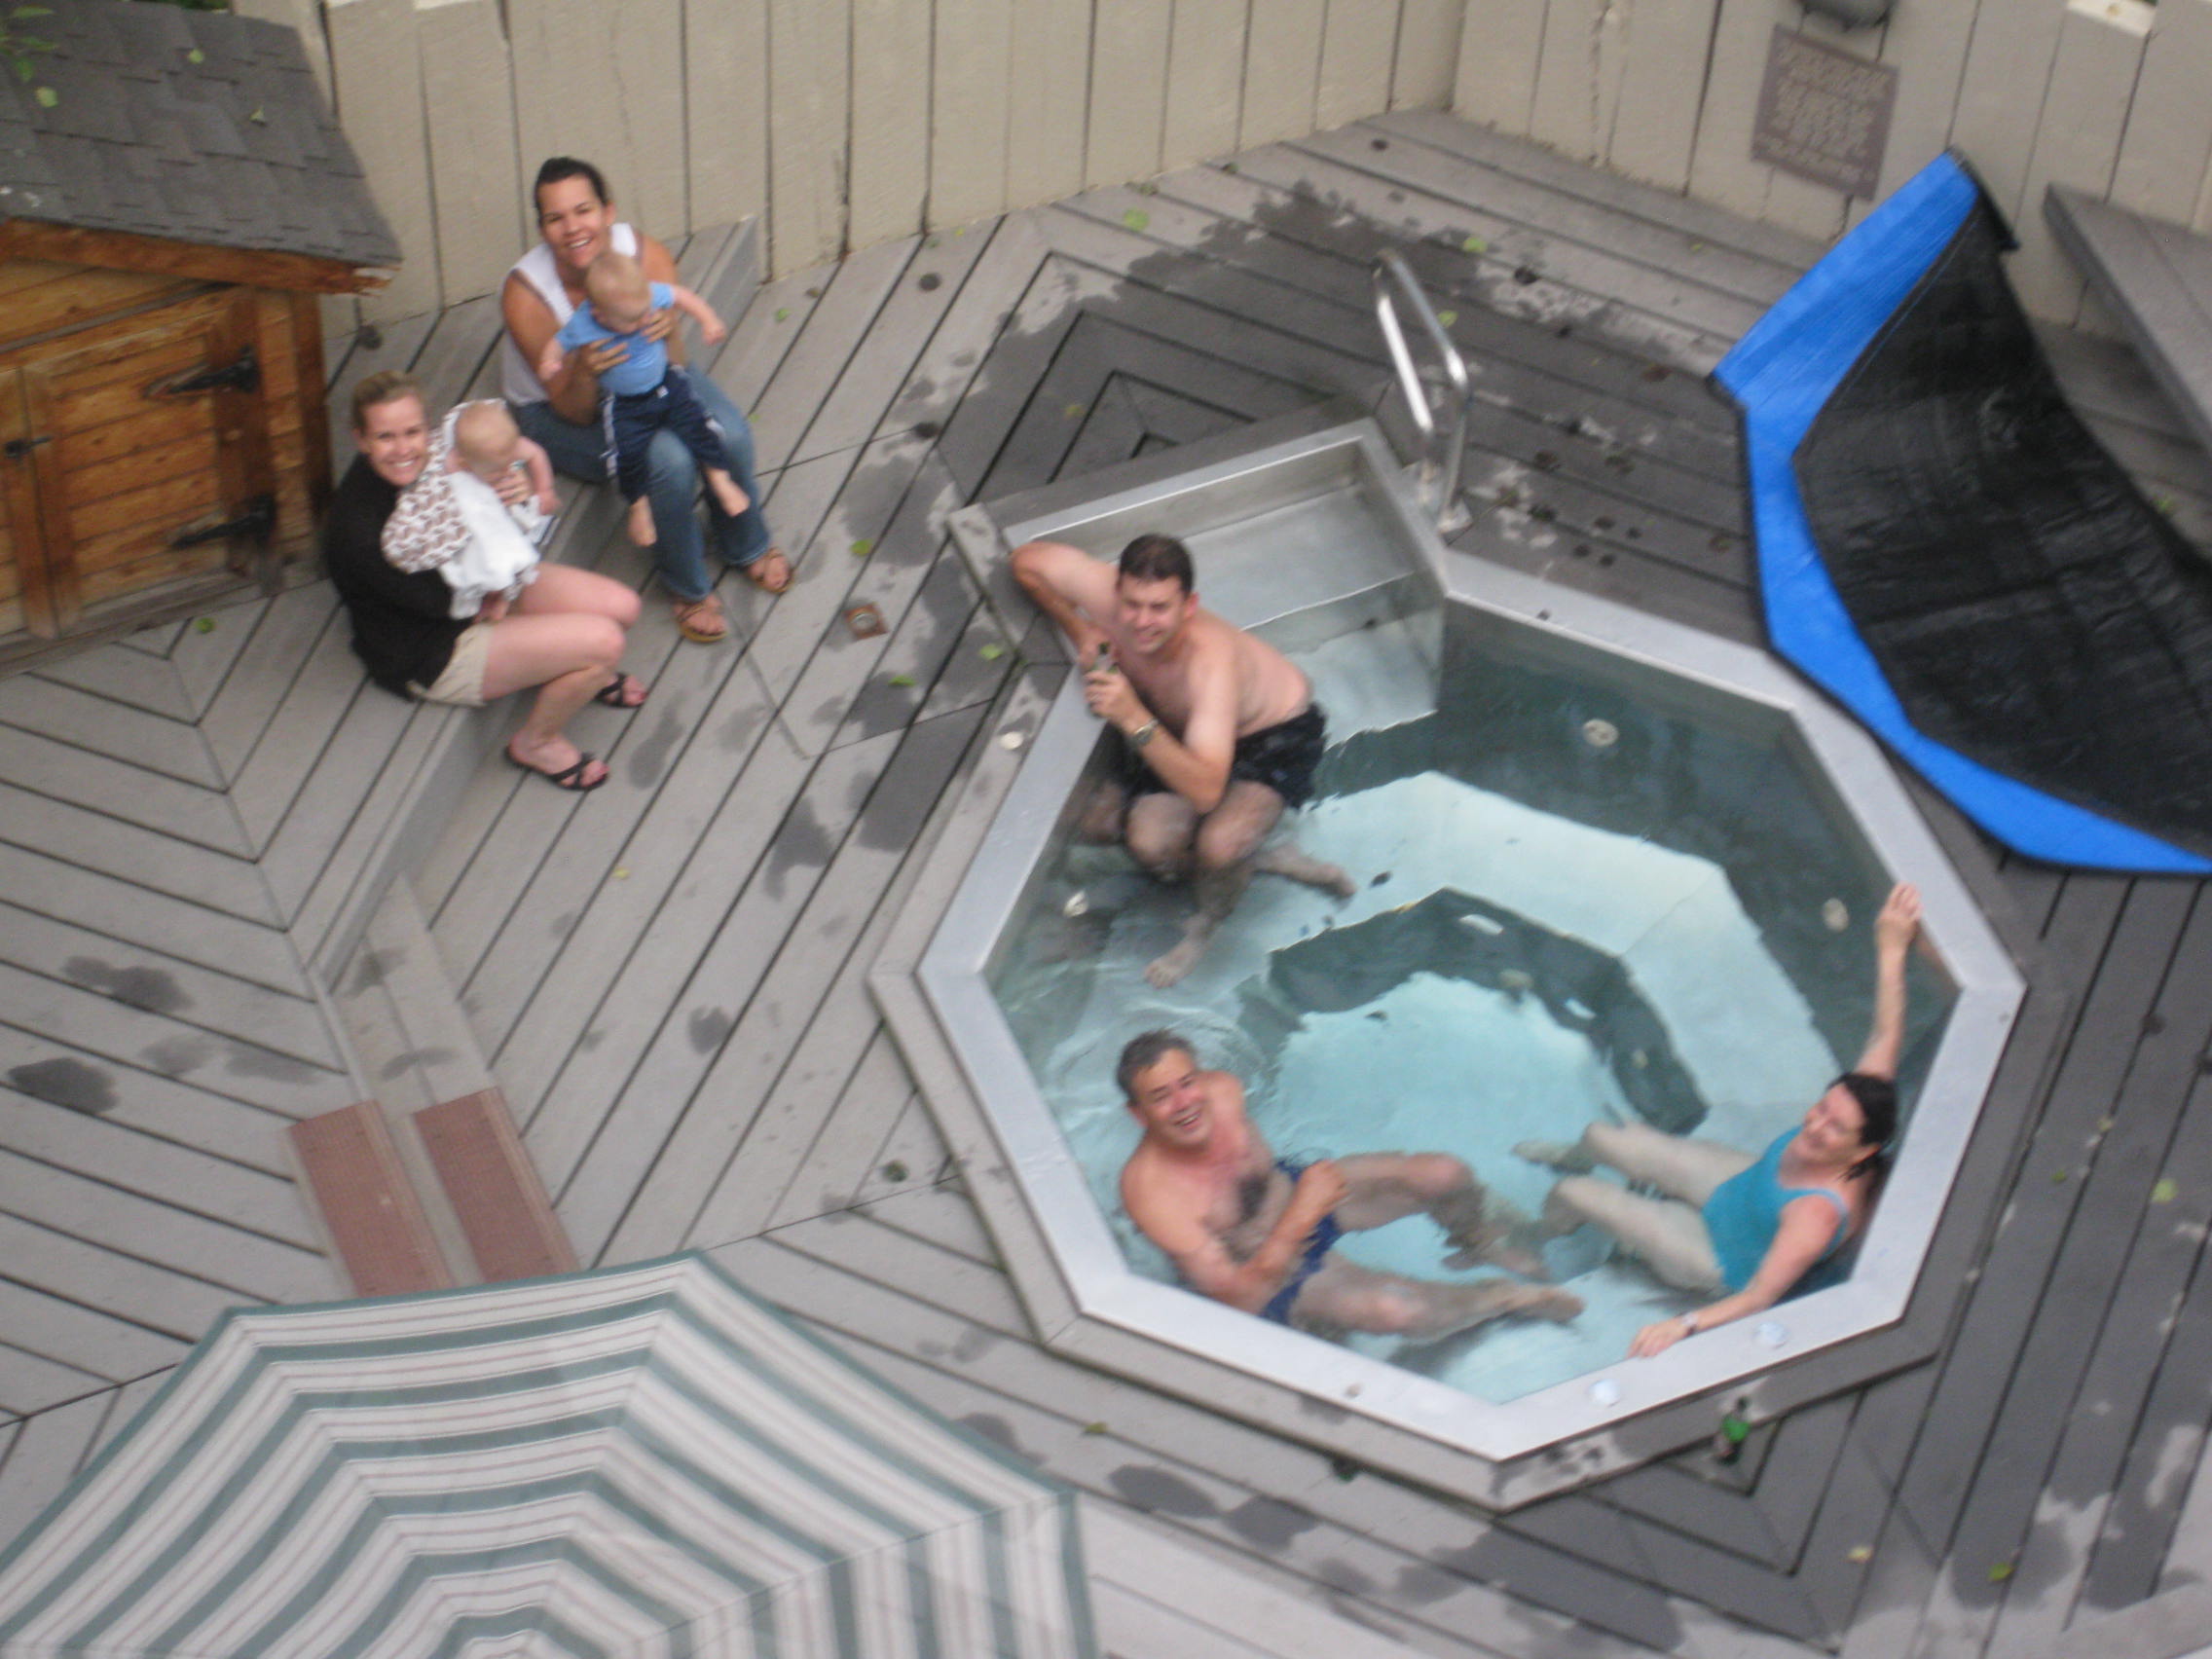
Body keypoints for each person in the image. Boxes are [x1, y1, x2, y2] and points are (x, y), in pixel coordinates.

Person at [1518, 884, 1924, 1357]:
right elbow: (1884, 1035)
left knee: (1574, 1193)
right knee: (1599, 1136)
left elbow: (1760, 1297)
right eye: (1822, 1109)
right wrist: (1891, 947)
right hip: (1739, 1187)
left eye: (1835, 1128)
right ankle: (1575, 1156)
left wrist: (1683, 1325)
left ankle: (1537, 1236)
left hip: (1720, 1256)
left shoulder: (1815, 1214)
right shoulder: (1865, 1104)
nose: (1816, 1126)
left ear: (1864, 1149)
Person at [1011, 534, 1355, 987]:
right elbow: (1027, 562)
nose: (1142, 622)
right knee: (1147, 843)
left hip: (1270, 736)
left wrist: (1131, 715)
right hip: (1183, 731)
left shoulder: (1210, 665)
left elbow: (1205, 791)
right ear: (1117, 591)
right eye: (1132, 605)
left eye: (1159, 608)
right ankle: (1263, 860)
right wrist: (1080, 630)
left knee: (1221, 844)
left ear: (1188, 606)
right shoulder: (1102, 593)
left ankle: (1206, 923)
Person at [1117, 1031, 1583, 1340]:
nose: (1184, 1103)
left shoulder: (1222, 1090)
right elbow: (1240, 1299)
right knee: (1395, 1311)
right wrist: (1303, 1213)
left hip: (1298, 1193)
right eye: (1161, 1097)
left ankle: (1475, 1238)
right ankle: (1497, 1296)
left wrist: (1304, 1202)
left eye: (1187, 1082)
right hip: (1272, 1273)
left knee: (1444, 1174)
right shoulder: (1154, 1195)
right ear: (1138, 1115)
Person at [498, 157, 787, 646]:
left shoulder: (643, 256)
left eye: (583, 210)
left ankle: (747, 544)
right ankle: (687, 586)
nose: (573, 228)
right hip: (558, 410)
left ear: (608, 211)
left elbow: (677, 363)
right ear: (543, 230)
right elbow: (573, 410)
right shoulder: (527, 295)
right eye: (555, 218)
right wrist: (586, 369)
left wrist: (669, 331)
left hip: (650, 381)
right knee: (669, 460)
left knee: (732, 433)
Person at [325, 371, 647, 793]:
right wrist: (496, 566)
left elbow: (496, 502)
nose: (403, 449)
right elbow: (439, 603)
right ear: (361, 440)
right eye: (385, 437)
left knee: (624, 607)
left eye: (412, 432)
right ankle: (537, 743)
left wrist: (510, 486)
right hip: (435, 641)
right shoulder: (360, 530)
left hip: (484, 584)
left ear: (428, 427)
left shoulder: (442, 456)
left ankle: (570, 662)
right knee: (605, 643)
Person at [535, 250, 748, 548]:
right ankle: (639, 507)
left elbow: (682, 296)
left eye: (646, 310)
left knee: (699, 425)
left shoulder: (642, 295)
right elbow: (559, 342)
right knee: (627, 456)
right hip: (625, 403)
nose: (645, 319)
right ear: (600, 315)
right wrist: (549, 362)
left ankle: (720, 480)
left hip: (665, 382)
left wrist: (708, 320)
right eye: (634, 320)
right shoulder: (584, 322)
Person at [382, 399, 559, 619]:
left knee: (508, 552)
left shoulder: (508, 445)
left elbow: (536, 454)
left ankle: (503, 596)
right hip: (475, 523)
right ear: (465, 463)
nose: (508, 470)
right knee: (480, 559)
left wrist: (544, 489)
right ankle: (489, 598)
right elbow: (436, 491)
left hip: (504, 512)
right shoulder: (452, 463)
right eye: (497, 470)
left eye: (511, 462)